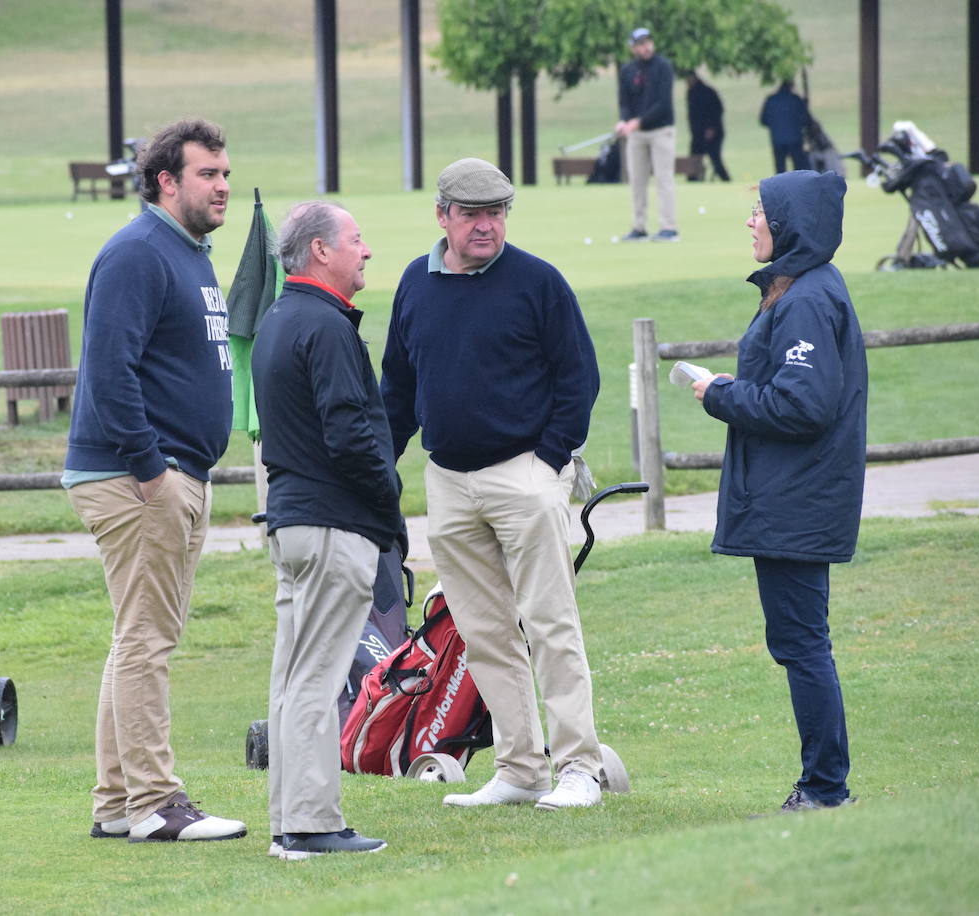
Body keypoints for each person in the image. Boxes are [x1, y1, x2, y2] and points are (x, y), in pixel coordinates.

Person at [380, 158, 604, 811]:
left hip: (524, 474)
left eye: (497, 212)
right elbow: (398, 389)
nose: (487, 225)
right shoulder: (415, 286)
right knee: (484, 632)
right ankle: (520, 769)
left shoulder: (538, 282)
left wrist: (548, 463)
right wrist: (380, 465)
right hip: (448, 479)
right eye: (473, 213)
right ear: (443, 215)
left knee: (549, 622)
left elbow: (577, 380)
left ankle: (579, 768)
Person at [63, 118, 247, 844]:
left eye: (227, 172)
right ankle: (155, 804)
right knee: (147, 642)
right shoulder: (138, 253)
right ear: (167, 180)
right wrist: (151, 473)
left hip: (171, 472)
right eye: (208, 173)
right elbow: (109, 371)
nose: (223, 185)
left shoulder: (188, 253)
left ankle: (116, 804)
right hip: (136, 478)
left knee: (135, 639)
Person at [690, 170, 866, 812]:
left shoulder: (807, 300)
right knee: (800, 641)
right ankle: (825, 784)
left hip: (798, 503)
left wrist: (720, 395)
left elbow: (803, 404)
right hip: (795, 500)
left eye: (760, 211)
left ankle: (825, 788)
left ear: (790, 222)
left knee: (801, 643)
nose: (751, 222)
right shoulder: (801, 289)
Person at [252, 201, 400, 861]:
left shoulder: (279, 319)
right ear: (320, 251)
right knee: (317, 676)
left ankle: (293, 821)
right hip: (332, 523)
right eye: (357, 240)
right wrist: (389, 503)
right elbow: (350, 434)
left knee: (292, 678)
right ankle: (310, 825)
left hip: (292, 521)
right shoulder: (327, 326)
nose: (365, 251)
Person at [615, 27, 679, 242]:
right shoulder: (628, 71)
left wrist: (638, 122)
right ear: (633, 47)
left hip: (661, 130)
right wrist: (624, 121)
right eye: (641, 44)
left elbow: (662, 104)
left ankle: (668, 227)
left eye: (648, 42)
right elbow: (624, 102)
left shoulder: (663, 67)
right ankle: (639, 227)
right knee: (637, 181)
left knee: (664, 179)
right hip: (637, 134)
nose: (646, 47)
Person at [685, 72, 730, 182]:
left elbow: (716, 111)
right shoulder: (691, 93)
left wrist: (711, 128)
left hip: (712, 132)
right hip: (697, 132)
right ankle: (693, 180)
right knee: (694, 157)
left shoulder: (707, 92)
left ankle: (725, 179)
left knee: (715, 158)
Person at [760, 81, 811, 173]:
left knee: (780, 168)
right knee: (799, 168)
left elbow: (763, 120)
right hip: (795, 138)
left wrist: (775, 126)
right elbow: (806, 120)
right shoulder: (796, 99)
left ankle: (781, 186)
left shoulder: (771, 100)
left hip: (777, 139)